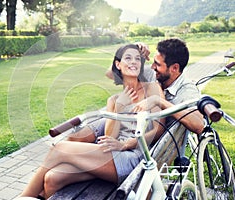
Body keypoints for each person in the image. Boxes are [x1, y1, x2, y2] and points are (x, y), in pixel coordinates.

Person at [19, 44, 166, 199]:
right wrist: (118, 107)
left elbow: (158, 130)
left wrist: (126, 144)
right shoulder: (114, 100)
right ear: (118, 64)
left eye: (137, 59)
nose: (134, 62)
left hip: (134, 158)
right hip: (110, 157)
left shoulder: (152, 89)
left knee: (59, 148)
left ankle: (24, 197)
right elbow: (110, 137)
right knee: (53, 177)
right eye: (128, 58)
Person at [67, 38, 204, 145]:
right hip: (125, 119)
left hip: (142, 132)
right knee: (73, 139)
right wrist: (132, 48)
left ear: (174, 68)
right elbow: (111, 74)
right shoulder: (155, 73)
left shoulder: (187, 90)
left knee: (86, 150)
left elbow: (198, 126)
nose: (153, 66)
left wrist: (159, 101)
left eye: (157, 64)